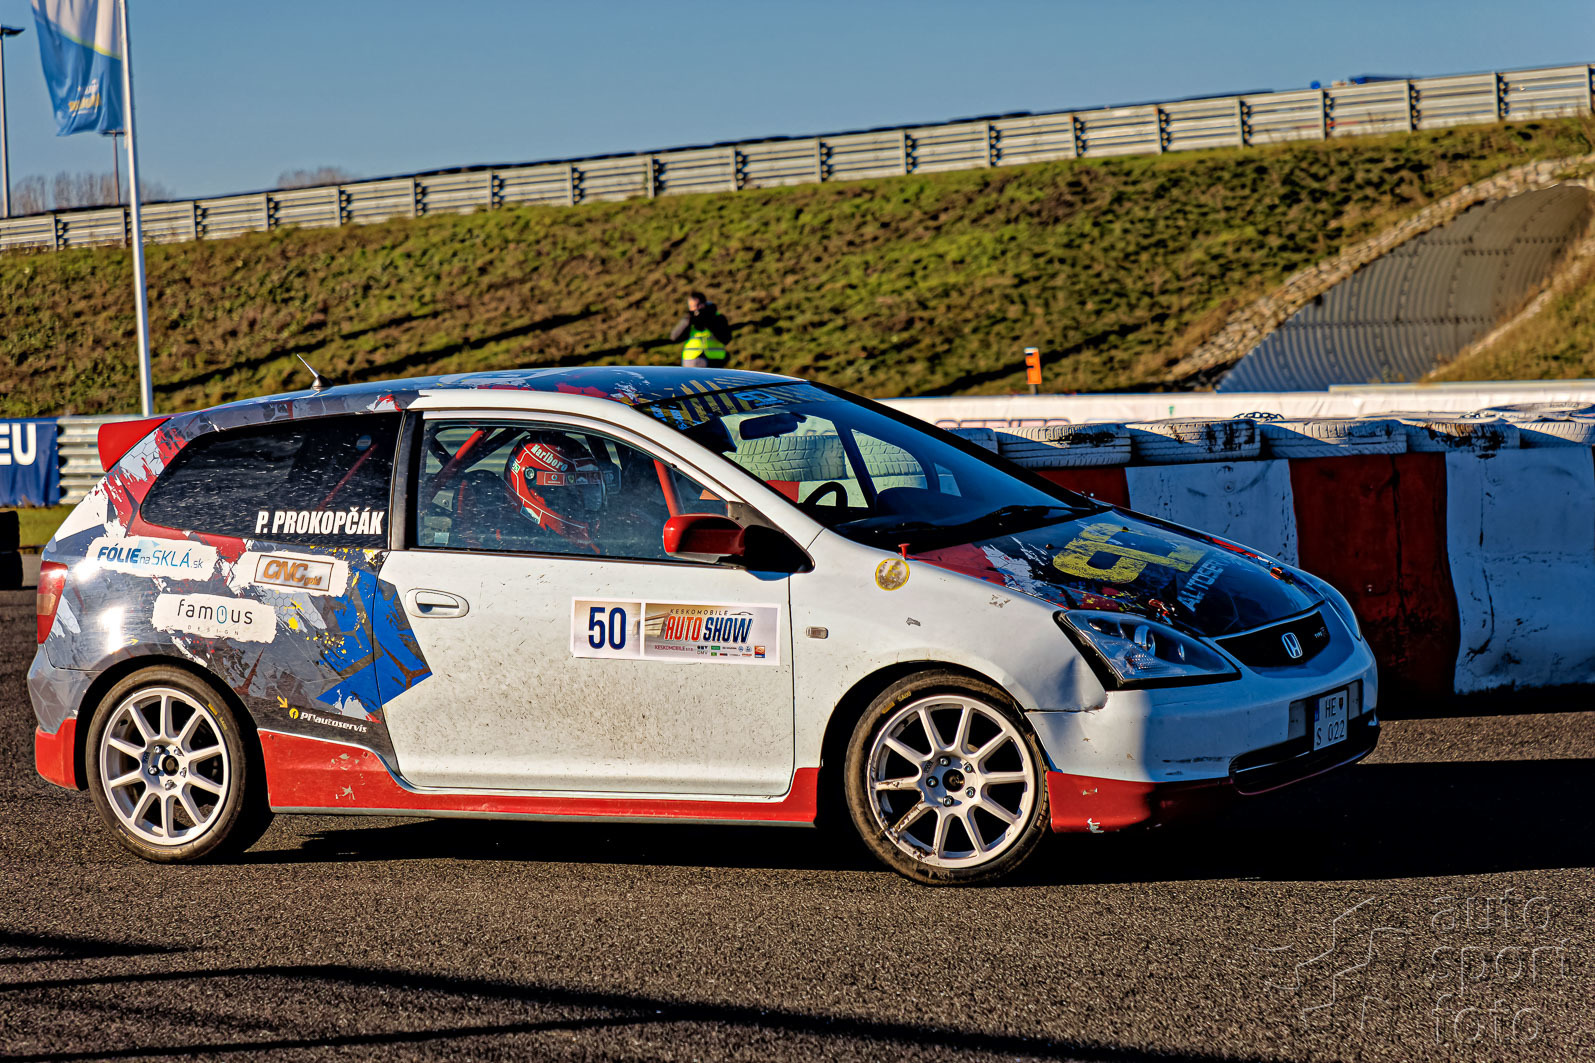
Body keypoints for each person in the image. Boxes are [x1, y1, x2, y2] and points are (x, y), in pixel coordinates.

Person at [669, 291, 732, 368]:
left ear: (704, 304)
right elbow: (674, 337)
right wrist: (688, 321)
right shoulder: (689, 318)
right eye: (691, 306)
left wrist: (709, 321)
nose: (695, 309)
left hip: (715, 360)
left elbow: (726, 338)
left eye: (698, 305)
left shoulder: (718, 317)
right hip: (692, 360)